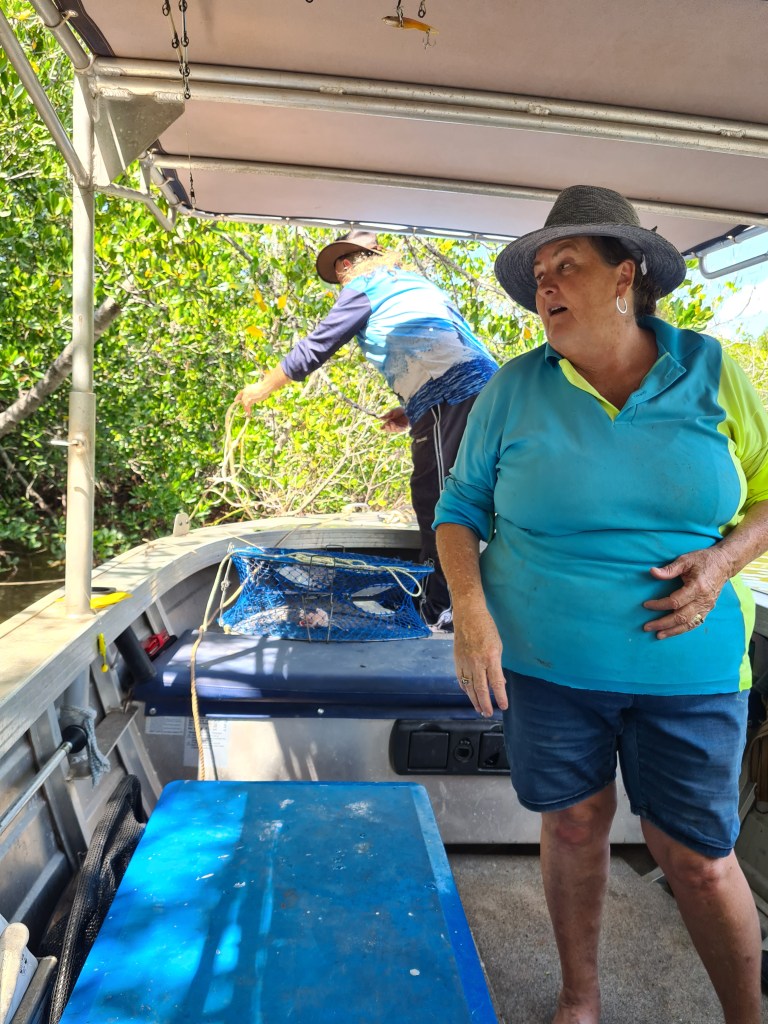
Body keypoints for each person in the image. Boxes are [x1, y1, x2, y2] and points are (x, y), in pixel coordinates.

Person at [433, 185, 768, 1024]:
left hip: (690, 667)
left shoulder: (712, 372)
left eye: (567, 265)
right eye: (540, 272)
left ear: (626, 277)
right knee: (575, 827)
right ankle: (579, 1000)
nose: (545, 284)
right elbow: (459, 509)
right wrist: (471, 612)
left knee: (698, 859)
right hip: (548, 666)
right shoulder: (514, 387)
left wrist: (723, 562)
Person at [236, 230, 498, 626]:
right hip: (480, 390)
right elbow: (438, 341)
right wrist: (410, 409)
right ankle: (448, 599)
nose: (340, 282)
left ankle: (441, 608)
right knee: (464, 493)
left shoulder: (365, 284)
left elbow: (316, 346)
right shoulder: (410, 283)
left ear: (347, 264)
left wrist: (263, 386)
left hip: (451, 393)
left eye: (339, 273)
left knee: (438, 499)